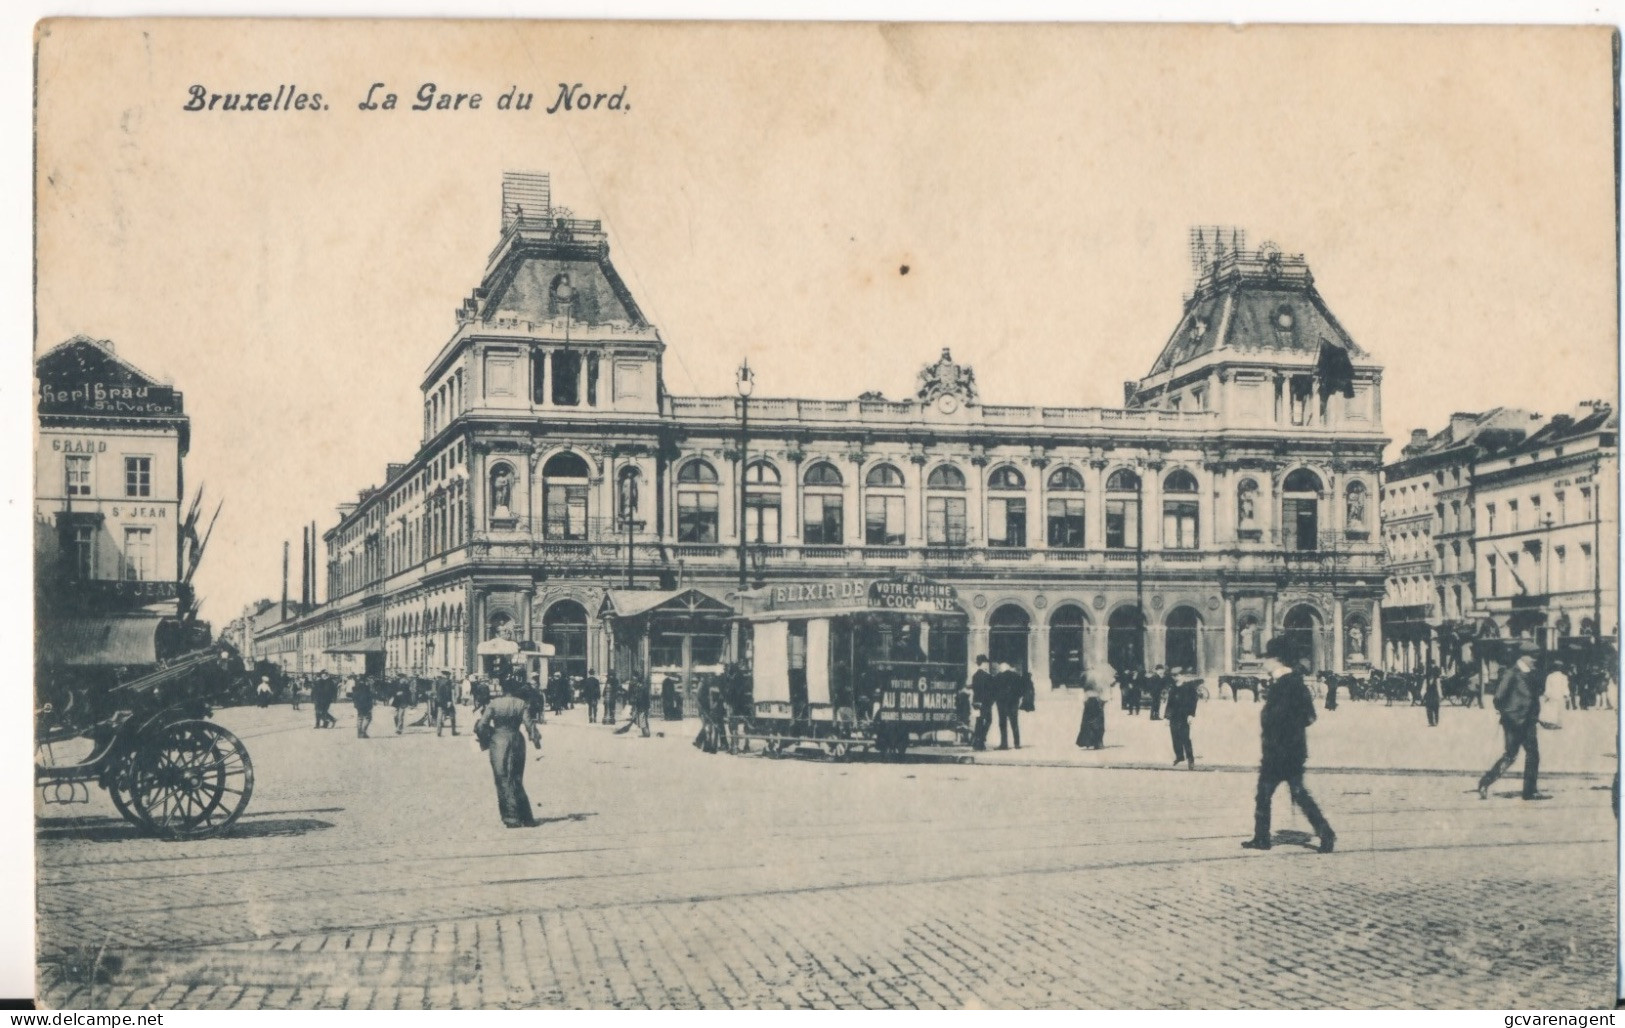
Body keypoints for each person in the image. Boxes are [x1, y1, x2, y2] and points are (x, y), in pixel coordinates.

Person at [1242, 636, 1335, 853]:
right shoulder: (1291, 683)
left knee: (1270, 795)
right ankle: (1324, 833)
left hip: (1281, 754)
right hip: (1287, 752)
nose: (1263, 663)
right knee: (1293, 794)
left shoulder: (1288, 684)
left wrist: (1285, 734)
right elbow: (1309, 717)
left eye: (1266, 658)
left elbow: (1305, 717)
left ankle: (1263, 839)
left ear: (1276, 660)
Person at [1477, 647, 1558, 801]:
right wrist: (1509, 715)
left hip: (1529, 722)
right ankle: (1485, 782)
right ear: (1523, 657)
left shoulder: (1530, 674)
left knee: (1532, 755)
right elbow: (1498, 698)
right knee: (1510, 756)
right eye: (1532, 656)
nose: (1535, 659)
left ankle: (1530, 792)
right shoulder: (1511, 673)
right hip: (1514, 723)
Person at [474, 674, 541, 828]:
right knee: (517, 779)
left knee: (502, 778)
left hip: (499, 742)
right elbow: (530, 726)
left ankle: (511, 818)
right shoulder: (521, 704)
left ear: (502, 689)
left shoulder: (494, 704)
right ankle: (526, 818)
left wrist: (484, 737)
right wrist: (537, 743)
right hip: (517, 741)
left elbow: (482, 725)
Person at [1167, 672, 1199, 768]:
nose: (1177, 677)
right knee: (1175, 736)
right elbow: (1169, 703)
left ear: (1183, 676)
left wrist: (1191, 714)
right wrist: (1167, 717)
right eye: (1175, 676)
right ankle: (1179, 756)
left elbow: (1194, 701)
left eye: (1179, 675)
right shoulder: (1173, 688)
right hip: (1174, 716)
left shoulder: (1189, 687)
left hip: (1184, 715)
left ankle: (1190, 759)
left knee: (1185, 737)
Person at [994, 661, 1022, 750]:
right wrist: (1016, 698)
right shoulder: (1016, 676)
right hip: (1013, 703)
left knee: (1003, 723)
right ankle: (1017, 743)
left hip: (1002, 703)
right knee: (1014, 723)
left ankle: (1004, 744)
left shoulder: (998, 677)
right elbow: (1021, 689)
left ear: (1002, 669)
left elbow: (993, 690)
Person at [969, 656, 994, 750]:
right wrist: (991, 701)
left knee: (979, 722)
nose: (987, 664)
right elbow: (990, 691)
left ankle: (977, 741)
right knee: (988, 720)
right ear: (983, 663)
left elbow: (976, 690)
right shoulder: (987, 676)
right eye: (986, 663)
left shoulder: (975, 675)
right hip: (986, 703)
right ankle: (981, 740)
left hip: (977, 702)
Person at [1075, 679, 1106, 749]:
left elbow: (1083, 698)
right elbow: (1103, 696)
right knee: (1097, 724)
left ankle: (1088, 742)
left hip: (1089, 703)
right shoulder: (1099, 683)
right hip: (1096, 703)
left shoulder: (1087, 685)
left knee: (1087, 723)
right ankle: (1097, 743)